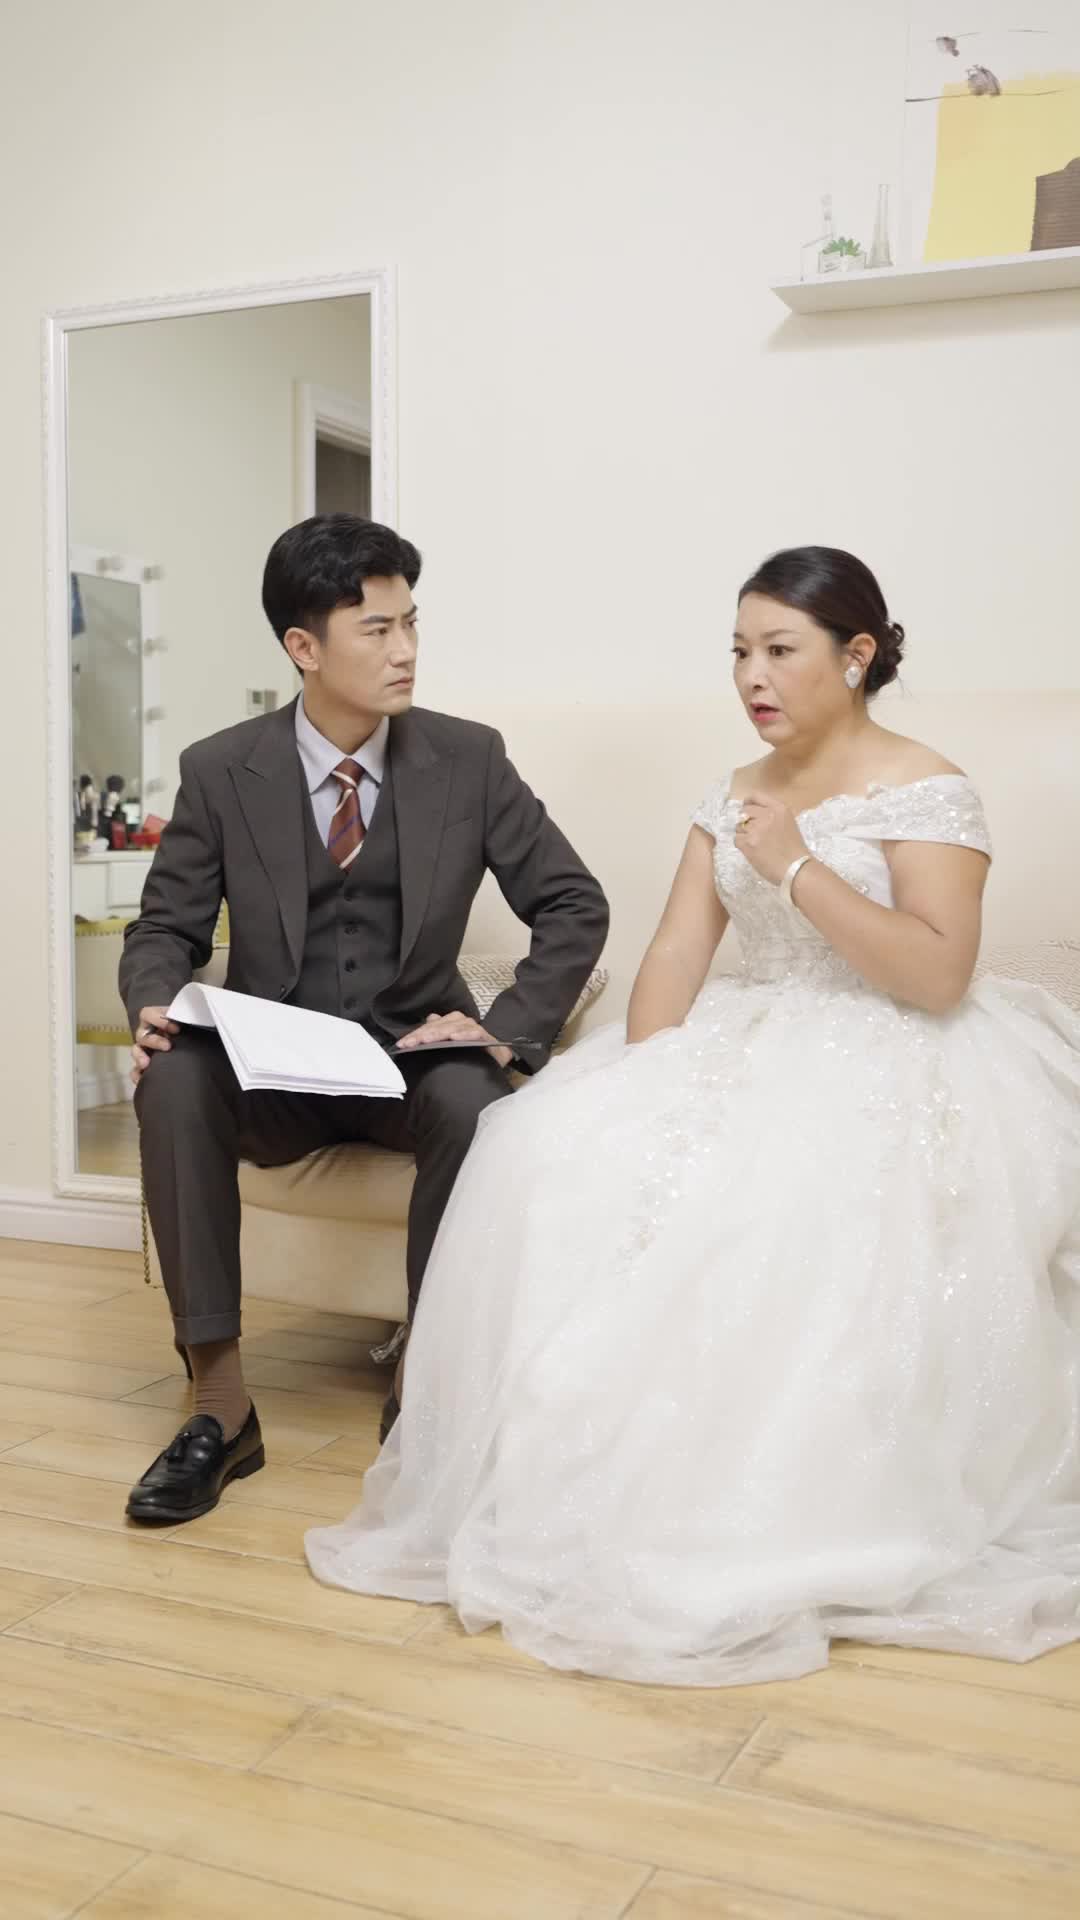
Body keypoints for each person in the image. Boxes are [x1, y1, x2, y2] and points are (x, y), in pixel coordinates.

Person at [305, 544, 1080, 1689]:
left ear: (856, 656)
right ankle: (577, 1482)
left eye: (780, 651)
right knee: (557, 1155)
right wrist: (645, 1078)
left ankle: (777, 1501)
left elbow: (936, 975)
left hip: (899, 1046)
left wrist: (799, 866)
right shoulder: (733, 790)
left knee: (783, 1208)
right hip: (747, 1031)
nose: (752, 677)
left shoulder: (928, 788)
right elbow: (675, 949)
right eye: (739, 652)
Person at [119, 514, 608, 1526]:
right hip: (275, 1066)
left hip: (409, 1060)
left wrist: (506, 1024)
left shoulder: (468, 759)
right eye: (377, 629)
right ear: (303, 647)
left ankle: (426, 1388)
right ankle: (218, 1406)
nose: (406, 650)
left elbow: (572, 901)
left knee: (477, 1102)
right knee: (172, 1076)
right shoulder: (221, 769)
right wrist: (154, 999)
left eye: (411, 623)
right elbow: (164, 925)